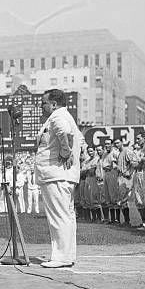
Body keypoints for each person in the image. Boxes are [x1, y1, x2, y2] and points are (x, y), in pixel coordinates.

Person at [35, 88, 82, 268]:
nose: (41, 106)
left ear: (54, 104)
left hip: (56, 174)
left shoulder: (57, 116)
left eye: (44, 103)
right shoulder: (64, 116)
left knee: (58, 217)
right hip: (63, 175)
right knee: (67, 217)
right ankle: (67, 255)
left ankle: (60, 257)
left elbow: (63, 132)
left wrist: (65, 151)